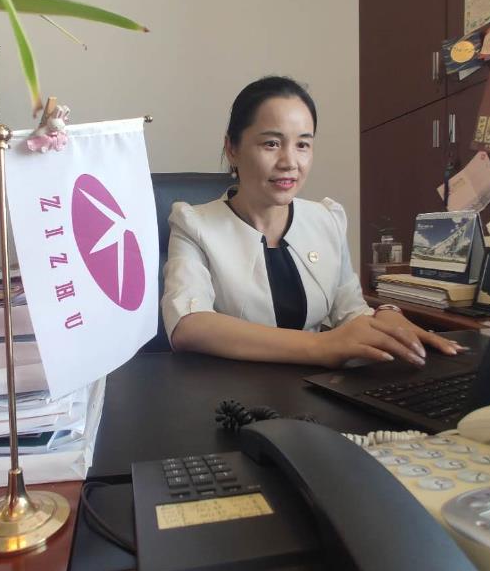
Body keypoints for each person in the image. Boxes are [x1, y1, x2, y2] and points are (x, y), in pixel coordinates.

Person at [161, 76, 462, 369]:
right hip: (231, 392)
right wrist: (321, 346)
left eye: (303, 145)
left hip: (317, 388)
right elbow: (188, 325)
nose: (289, 162)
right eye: (271, 144)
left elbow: (350, 312)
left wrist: (386, 314)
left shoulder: (326, 219)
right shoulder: (194, 224)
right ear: (232, 149)